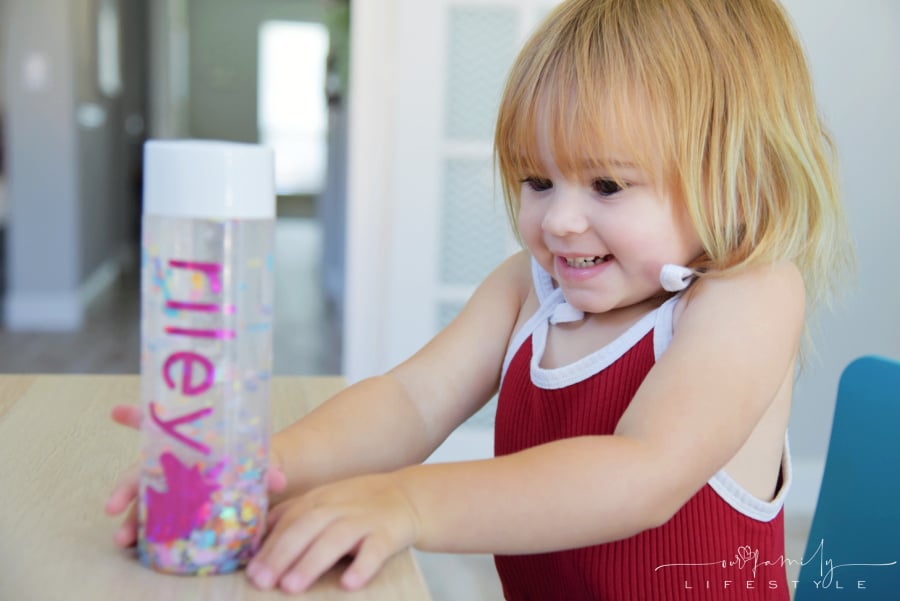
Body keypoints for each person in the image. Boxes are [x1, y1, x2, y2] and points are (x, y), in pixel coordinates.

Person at [106, 0, 852, 597]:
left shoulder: (748, 295)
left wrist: (408, 502)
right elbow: (410, 401)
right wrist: (263, 464)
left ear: (738, 181)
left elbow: (642, 472)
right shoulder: (529, 289)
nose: (559, 221)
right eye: (538, 180)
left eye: (606, 184)